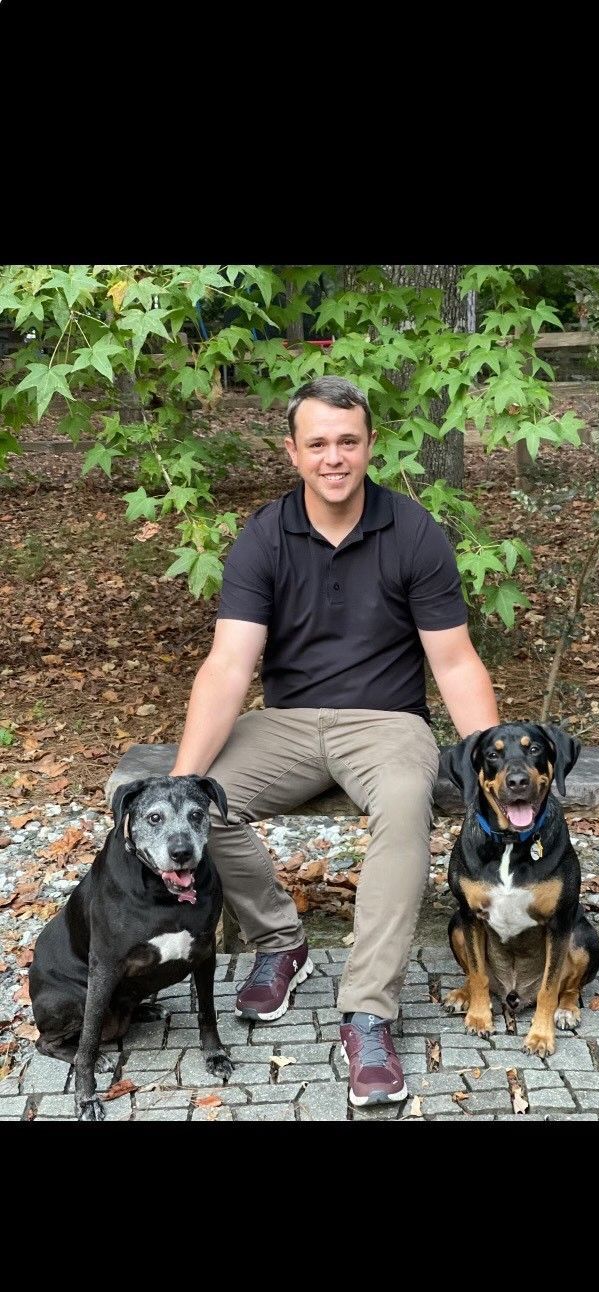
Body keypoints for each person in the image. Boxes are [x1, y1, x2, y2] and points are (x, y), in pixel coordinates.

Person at [171, 375, 498, 1107]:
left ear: (369, 445)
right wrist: (181, 781)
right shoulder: (265, 535)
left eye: (348, 441)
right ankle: (278, 941)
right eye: (317, 442)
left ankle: (368, 1012)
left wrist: (492, 759)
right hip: (285, 723)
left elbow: (454, 660)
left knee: (409, 798)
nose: (334, 457)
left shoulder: (412, 531)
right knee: (201, 801)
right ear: (293, 451)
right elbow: (229, 666)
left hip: (386, 724)